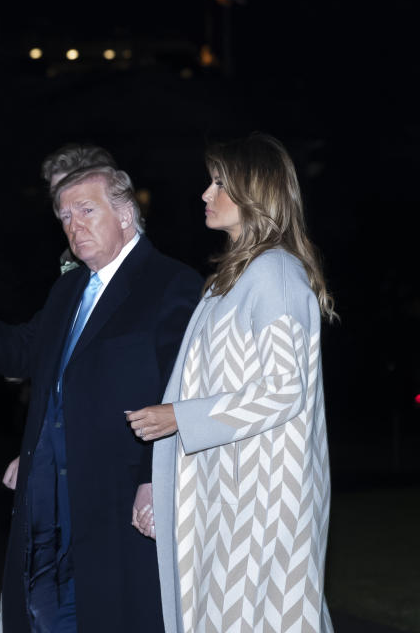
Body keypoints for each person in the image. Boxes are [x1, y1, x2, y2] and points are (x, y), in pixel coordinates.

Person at [0, 165, 202, 632]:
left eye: (86, 210)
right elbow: (24, 353)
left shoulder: (170, 283)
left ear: (125, 215)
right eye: (65, 216)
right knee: (40, 615)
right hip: (46, 496)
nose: (74, 225)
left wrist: (153, 477)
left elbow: (181, 390)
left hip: (115, 498)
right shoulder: (69, 287)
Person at [126, 133, 336, 632]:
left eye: (220, 182)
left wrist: (180, 417)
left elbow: (285, 389)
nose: (205, 193)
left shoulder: (276, 274)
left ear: (254, 192)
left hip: (263, 502)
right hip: (227, 492)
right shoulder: (234, 279)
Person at [1, 143, 119, 492]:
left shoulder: (131, 267)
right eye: (56, 197)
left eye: (74, 195)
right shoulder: (72, 261)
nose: (62, 208)